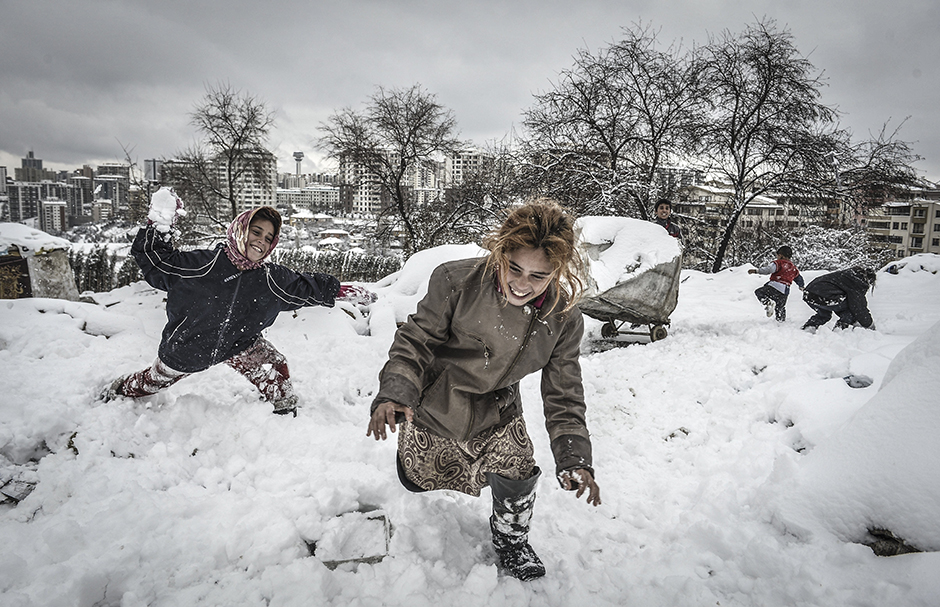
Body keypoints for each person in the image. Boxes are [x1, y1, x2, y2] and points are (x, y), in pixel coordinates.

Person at [367, 200, 601, 581]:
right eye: (514, 268)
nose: (523, 284)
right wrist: (396, 392)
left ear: (556, 272)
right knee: (417, 478)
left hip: (499, 406)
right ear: (500, 252)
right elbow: (416, 340)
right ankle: (413, 467)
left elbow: (564, 391)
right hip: (439, 401)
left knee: (519, 468)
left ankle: (511, 540)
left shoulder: (563, 318)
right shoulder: (455, 281)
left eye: (539, 276)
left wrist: (575, 457)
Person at [102, 189, 357, 416]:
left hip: (238, 344)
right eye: (256, 232)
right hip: (187, 350)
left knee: (274, 366)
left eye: (269, 237)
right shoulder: (203, 265)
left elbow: (303, 287)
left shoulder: (269, 278)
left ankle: (284, 416)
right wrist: (158, 221)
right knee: (152, 381)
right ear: (240, 229)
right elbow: (156, 260)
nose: (261, 241)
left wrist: (339, 290)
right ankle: (118, 390)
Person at [801, 266, 877, 332]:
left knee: (824, 314)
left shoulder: (847, 275)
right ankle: (840, 330)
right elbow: (859, 307)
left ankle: (809, 327)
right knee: (850, 310)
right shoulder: (858, 281)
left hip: (809, 294)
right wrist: (869, 324)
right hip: (824, 295)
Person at [748, 245, 805, 322]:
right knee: (780, 307)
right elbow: (799, 278)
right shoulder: (793, 268)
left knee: (759, 292)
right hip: (785, 291)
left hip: (774, 287)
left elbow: (769, 269)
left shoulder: (779, 263)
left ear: (780, 255)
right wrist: (801, 286)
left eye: (777, 256)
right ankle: (781, 322)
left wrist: (756, 271)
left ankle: (767, 302)